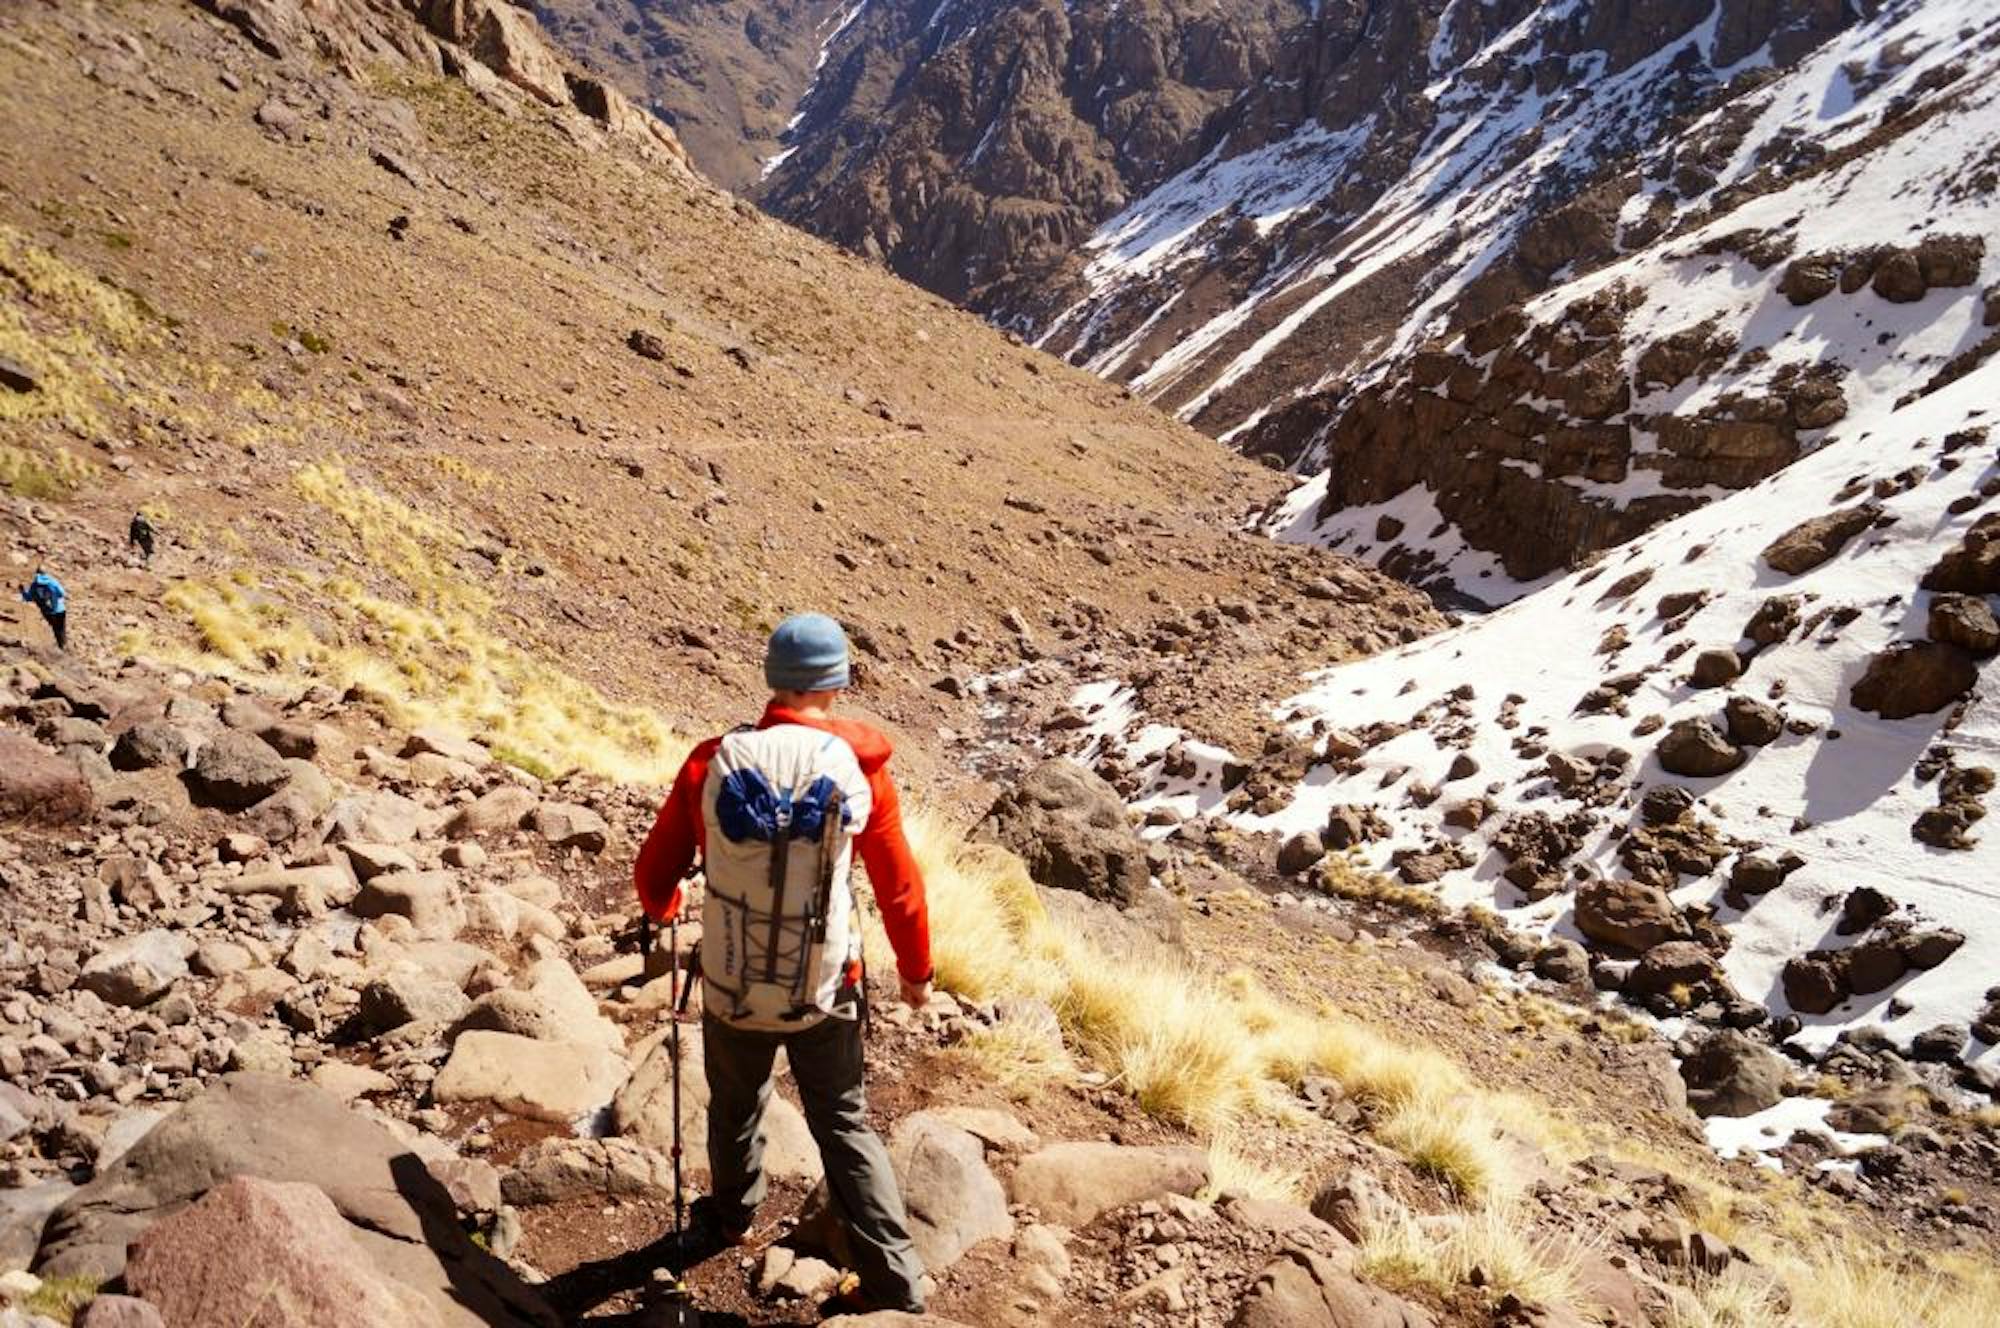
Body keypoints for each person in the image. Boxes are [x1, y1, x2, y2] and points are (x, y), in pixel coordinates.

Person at [634, 612, 932, 1315]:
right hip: (828, 990)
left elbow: (655, 876)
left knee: (736, 1103)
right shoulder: (861, 772)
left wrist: (668, 904)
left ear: (771, 678)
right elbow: (900, 888)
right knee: (843, 1122)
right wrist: (917, 972)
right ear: (836, 682)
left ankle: (731, 1216)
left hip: (733, 984)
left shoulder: (712, 762)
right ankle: (896, 1285)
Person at [19, 567, 67, 651]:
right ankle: (64, 646)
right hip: (59, 609)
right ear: (45, 573)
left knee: (55, 628)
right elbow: (62, 593)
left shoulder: (34, 585)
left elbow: (29, 598)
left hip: (47, 611)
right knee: (61, 628)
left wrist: (22, 591)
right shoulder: (52, 581)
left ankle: (61, 646)